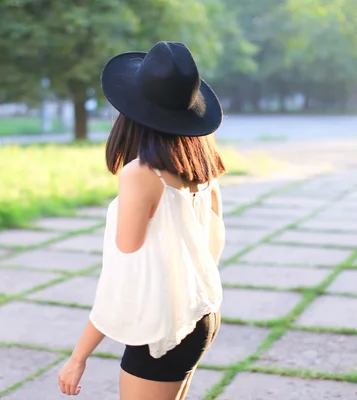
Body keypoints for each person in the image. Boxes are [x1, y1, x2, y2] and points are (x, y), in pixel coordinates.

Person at [57, 41, 227, 400]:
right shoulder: (203, 165)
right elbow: (213, 247)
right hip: (201, 314)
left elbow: (123, 277)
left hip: (165, 329)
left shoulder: (141, 174)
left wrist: (79, 355)